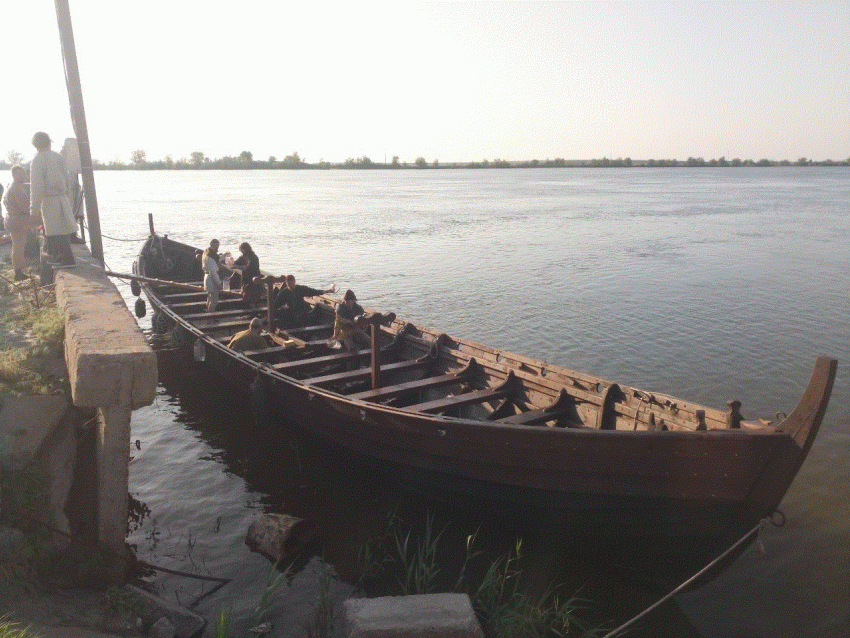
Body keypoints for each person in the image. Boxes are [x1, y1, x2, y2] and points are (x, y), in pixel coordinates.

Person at [29, 132, 77, 267]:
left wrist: (34, 208)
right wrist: (66, 196)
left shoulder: (37, 160)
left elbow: (37, 187)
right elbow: (67, 180)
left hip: (49, 199)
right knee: (61, 228)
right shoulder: (58, 157)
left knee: (54, 230)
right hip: (62, 197)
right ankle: (62, 257)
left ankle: (67, 259)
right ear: (49, 142)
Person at [3, 165, 40, 281]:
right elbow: (26, 208)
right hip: (17, 220)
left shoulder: (13, 187)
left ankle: (18, 272)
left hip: (12, 220)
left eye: (24, 173)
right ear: (14, 175)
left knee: (18, 245)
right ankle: (53, 244)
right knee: (46, 218)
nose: (24, 176)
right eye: (20, 174)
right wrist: (39, 210)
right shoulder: (16, 189)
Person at [202, 238, 223, 312]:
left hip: (207, 277)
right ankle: (211, 316)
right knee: (213, 301)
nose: (218, 248)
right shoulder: (211, 257)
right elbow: (213, 273)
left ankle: (208, 312)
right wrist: (219, 284)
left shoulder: (206, 252)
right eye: (217, 246)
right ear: (214, 246)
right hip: (211, 280)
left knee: (209, 298)